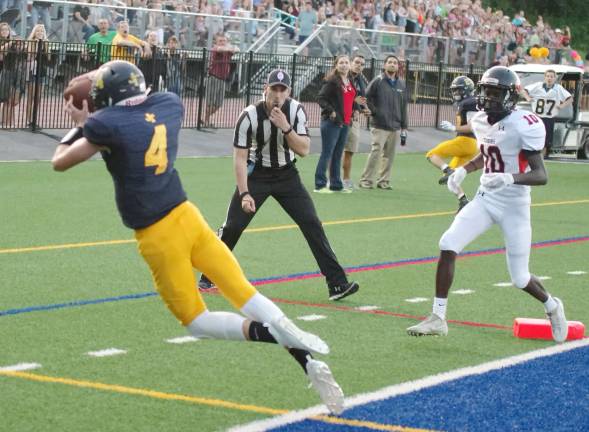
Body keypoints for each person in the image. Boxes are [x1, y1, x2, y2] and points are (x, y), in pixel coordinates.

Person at [51, 60, 344, 415]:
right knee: (246, 294)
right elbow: (141, 104)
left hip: (158, 235)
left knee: (197, 322)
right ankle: (306, 360)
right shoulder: (169, 104)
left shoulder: (105, 124)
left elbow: (60, 161)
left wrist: (79, 126)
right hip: (189, 218)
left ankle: (275, 335)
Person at [406, 66, 568, 343]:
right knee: (448, 243)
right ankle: (438, 317)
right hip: (485, 198)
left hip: (514, 204)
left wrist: (509, 178)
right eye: (486, 91)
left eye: (495, 93)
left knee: (519, 278)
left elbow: (541, 175)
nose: (488, 98)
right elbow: (489, 154)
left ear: (510, 96)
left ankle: (552, 306)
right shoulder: (480, 119)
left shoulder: (524, 123)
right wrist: (464, 170)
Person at [198, 69, 359, 302]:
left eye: (282, 89)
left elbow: (303, 149)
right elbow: (240, 158)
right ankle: (209, 274)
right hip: (257, 175)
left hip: (287, 176)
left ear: (289, 92)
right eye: (274, 88)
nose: (278, 94)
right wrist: (244, 193)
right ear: (266, 88)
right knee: (233, 226)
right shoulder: (248, 116)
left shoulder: (296, 111)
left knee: (312, 223)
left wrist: (285, 127)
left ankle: (337, 283)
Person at [427, 75, 478, 212]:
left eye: (458, 90)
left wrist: (454, 128)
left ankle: (447, 169)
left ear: (466, 90)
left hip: (466, 141)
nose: (455, 93)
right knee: (452, 181)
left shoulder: (470, 102)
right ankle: (463, 200)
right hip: (471, 145)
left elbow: (472, 126)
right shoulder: (467, 102)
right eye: (454, 90)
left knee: (432, 154)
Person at [359, 55, 408, 190]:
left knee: (389, 156)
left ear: (398, 67)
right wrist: (374, 111)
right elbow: (364, 99)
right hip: (380, 125)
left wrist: (404, 127)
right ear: (385, 65)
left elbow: (403, 106)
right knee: (376, 152)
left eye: (395, 63)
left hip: (395, 126)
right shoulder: (378, 81)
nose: (392, 64)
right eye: (390, 62)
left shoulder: (401, 84)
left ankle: (384, 181)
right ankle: (366, 180)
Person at [314, 54, 356, 193]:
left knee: (338, 154)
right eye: (341, 63)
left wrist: (356, 108)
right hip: (331, 123)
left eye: (346, 62)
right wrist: (331, 112)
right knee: (327, 153)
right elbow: (321, 98)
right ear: (336, 65)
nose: (344, 65)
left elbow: (347, 101)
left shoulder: (349, 80)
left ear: (350, 65)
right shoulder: (332, 81)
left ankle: (336, 185)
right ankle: (320, 184)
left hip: (345, 123)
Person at [520, 69, 572, 158]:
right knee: (533, 137)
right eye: (548, 76)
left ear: (555, 78)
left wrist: (561, 106)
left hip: (549, 118)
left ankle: (542, 158)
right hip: (537, 117)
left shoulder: (558, 88)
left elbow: (570, 99)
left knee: (546, 140)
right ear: (545, 77)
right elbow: (523, 90)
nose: (549, 78)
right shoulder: (537, 86)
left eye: (551, 77)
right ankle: (531, 156)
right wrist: (528, 98)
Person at [342, 54, 370, 191]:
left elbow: (361, 99)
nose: (359, 65)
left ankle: (346, 180)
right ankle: (331, 179)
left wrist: (364, 109)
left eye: (362, 64)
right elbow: (339, 96)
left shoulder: (360, 80)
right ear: (351, 63)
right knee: (335, 150)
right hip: (340, 119)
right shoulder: (343, 77)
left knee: (350, 150)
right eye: (357, 62)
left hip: (354, 120)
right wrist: (355, 104)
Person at [202, 33, 239, 128]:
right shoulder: (215, 49)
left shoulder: (227, 51)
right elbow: (220, 49)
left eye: (224, 41)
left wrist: (231, 48)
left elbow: (237, 49)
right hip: (213, 77)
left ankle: (204, 119)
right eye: (220, 41)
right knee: (210, 102)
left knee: (219, 104)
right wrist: (229, 47)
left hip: (222, 79)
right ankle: (206, 121)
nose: (222, 43)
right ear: (216, 42)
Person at [0, 22, 25, 129]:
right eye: (2, 30)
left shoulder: (13, 43)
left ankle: (9, 122)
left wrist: (21, 44)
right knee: (4, 98)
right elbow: (2, 54)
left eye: (7, 29)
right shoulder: (4, 42)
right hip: (5, 71)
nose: (5, 31)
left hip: (15, 72)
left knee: (11, 99)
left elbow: (21, 54)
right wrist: (10, 42)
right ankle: (4, 122)